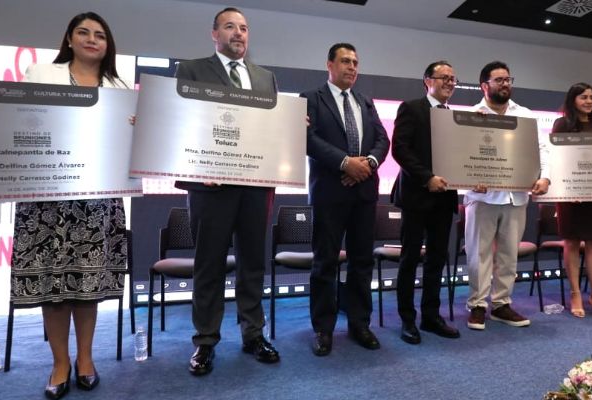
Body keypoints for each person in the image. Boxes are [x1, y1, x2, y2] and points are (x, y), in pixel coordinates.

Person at [9, 12, 129, 399]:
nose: (92, 39)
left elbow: (127, 140)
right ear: (69, 39)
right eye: (84, 32)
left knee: (86, 283)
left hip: (97, 199)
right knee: (53, 283)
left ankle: (86, 359)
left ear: (108, 44)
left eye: (100, 35)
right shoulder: (41, 74)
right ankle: (60, 363)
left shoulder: (119, 86)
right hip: (48, 199)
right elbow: (21, 123)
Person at [174, 7, 280, 376]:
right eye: (230, 26)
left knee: (253, 263)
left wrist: (289, 126)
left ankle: (253, 334)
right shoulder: (191, 70)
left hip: (255, 187)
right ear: (214, 33)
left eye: (244, 28)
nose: (239, 33)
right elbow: (180, 124)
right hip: (210, 187)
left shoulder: (265, 78)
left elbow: (270, 130)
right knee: (209, 265)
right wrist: (196, 169)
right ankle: (205, 341)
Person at [301, 43, 390, 356]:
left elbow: (382, 139)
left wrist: (368, 164)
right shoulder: (311, 98)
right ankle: (323, 329)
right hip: (329, 191)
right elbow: (307, 139)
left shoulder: (365, 101)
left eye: (355, 62)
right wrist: (344, 163)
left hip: (364, 192)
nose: (352, 67)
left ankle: (359, 324)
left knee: (361, 261)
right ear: (330, 64)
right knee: (325, 262)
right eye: (345, 61)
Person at [465, 61, 550, 330]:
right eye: (499, 80)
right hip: (482, 197)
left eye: (508, 79)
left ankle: (501, 304)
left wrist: (545, 177)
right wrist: (467, 182)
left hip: (516, 196)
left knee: (508, 255)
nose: (505, 84)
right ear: (484, 85)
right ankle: (477, 305)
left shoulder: (524, 114)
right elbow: (460, 155)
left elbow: (541, 150)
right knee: (478, 255)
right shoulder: (470, 115)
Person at [390, 60, 461, 344]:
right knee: (409, 259)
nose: (449, 83)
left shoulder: (454, 116)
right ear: (427, 81)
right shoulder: (411, 108)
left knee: (436, 260)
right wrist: (427, 177)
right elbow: (400, 150)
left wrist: (472, 179)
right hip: (416, 196)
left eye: (453, 79)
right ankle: (407, 320)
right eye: (444, 77)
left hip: (445, 199)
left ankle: (431, 316)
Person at [550, 82, 592, 321]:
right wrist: (570, 187)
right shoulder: (562, 124)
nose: (588, 101)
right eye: (583, 97)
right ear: (573, 100)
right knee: (572, 242)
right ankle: (575, 294)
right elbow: (557, 158)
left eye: (591, 97)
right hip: (571, 194)